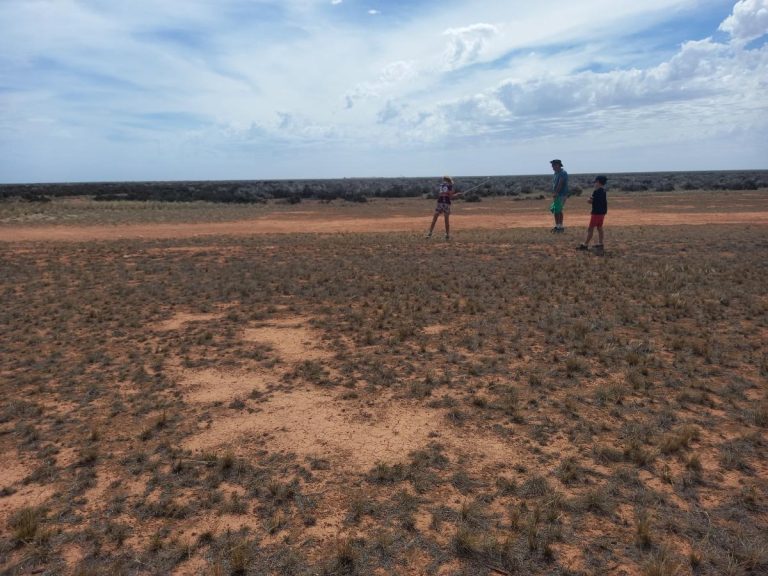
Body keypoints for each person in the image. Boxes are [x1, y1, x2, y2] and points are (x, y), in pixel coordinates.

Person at [578, 175, 608, 252]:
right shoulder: (604, 191)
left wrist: (588, 199)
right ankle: (600, 243)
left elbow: (590, 201)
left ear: (598, 182)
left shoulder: (596, 191)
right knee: (599, 228)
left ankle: (585, 245)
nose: (595, 184)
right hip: (602, 213)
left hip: (596, 213)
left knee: (590, 229)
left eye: (595, 182)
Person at [549, 159, 569, 233]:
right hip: (557, 194)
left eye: (553, 165)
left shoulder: (563, 173)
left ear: (558, 165)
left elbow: (561, 183)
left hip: (561, 194)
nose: (552, 167)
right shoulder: (556, 173)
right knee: (556, 210)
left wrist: (556, 192)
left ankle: (560, 227)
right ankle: (558, 226)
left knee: (558, 210)